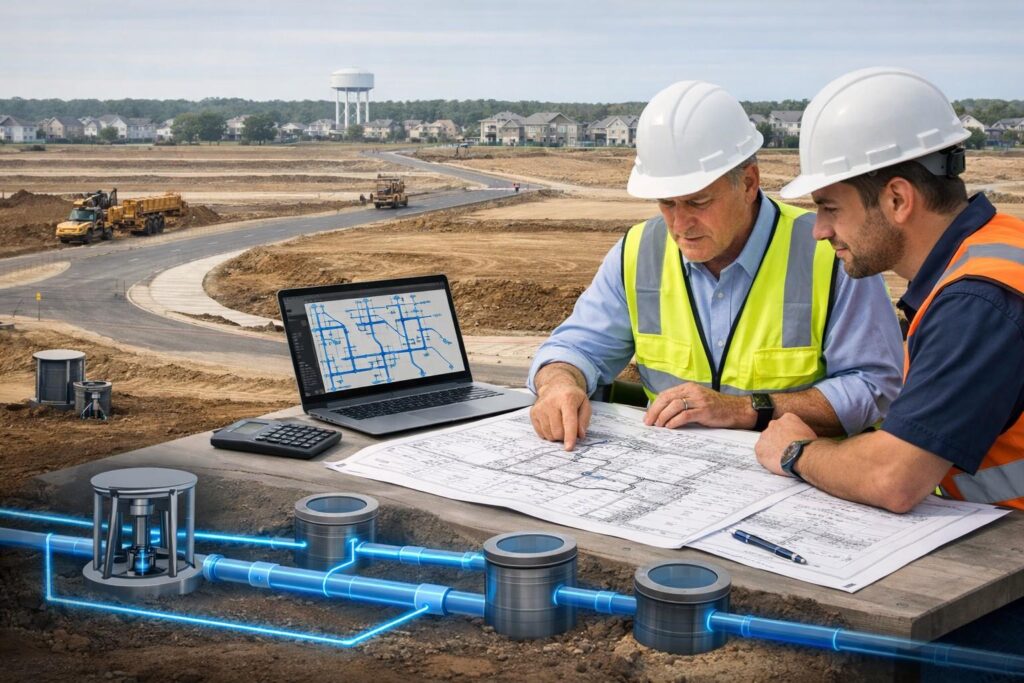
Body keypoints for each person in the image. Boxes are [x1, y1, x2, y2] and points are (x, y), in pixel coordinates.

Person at [528, 80, 903, 451]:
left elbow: (874, 387)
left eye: (698, 202)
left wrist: (744, 410)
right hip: (673, 475)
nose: (679, 225)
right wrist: (559, 383)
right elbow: (576, 348)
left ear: (749, 183)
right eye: (667, 204)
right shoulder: (639, 252)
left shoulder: (829, 252)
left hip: (802, 474)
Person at [755, 67, 1024, 513]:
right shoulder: (998, 247)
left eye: (830, 207)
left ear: (897, 199)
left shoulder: (978, 301)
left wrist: (797, 450)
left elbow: (893, 478)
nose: (819, 230)